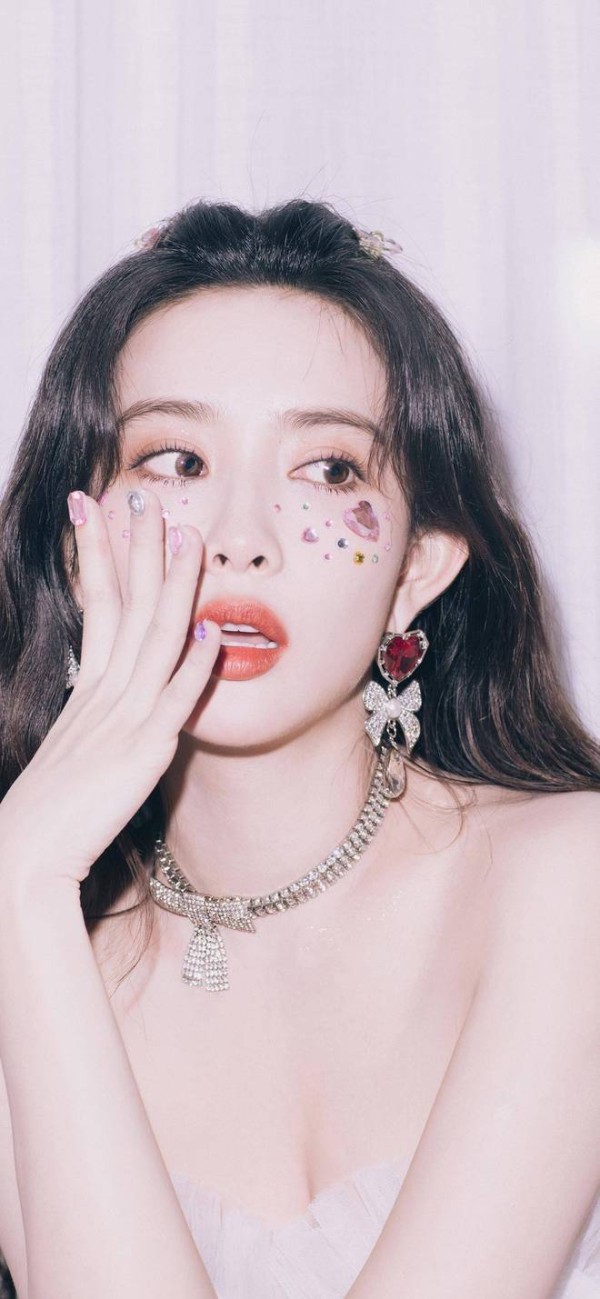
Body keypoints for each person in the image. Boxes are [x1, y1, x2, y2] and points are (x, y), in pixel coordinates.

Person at [0, 198, 599, 1299]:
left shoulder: (572, 880)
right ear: (78, 553)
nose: (240, 539)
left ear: (417, 568)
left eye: (327, 470)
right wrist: (24, 887)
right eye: (175, 459)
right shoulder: (23, 929)